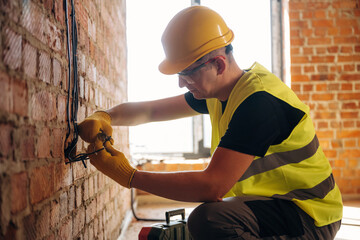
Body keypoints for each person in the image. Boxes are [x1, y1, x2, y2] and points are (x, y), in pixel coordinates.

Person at [78, 6, 343, 240]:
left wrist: (130, 176)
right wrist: (105, 116)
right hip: (274, 204)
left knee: (209, 220)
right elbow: (150, 111)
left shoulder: (259, 103)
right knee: (212, 218)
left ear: (218, 63)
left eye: (186, 73)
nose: (181, 82)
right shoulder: (221, 92)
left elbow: (211, 186)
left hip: (309, 217)